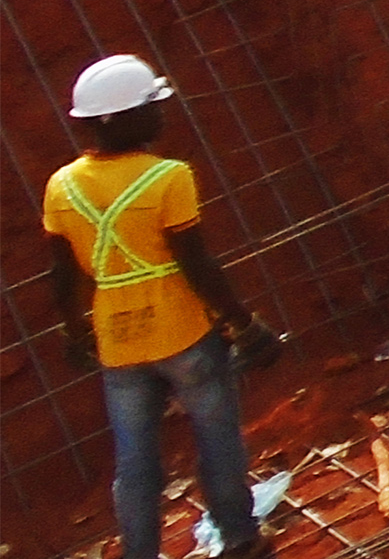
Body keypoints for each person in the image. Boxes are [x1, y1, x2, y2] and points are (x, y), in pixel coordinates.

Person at [43, 56, 284, 559]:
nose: (161, 115)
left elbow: (63, 274)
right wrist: (243, 323)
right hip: (184, 334)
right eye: (151, 107)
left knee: (135, 462)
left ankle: (139, 552)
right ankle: (239, 537)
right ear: (121, 118)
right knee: (217, 438)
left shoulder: (61, 187)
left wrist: (74, 330)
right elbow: (197, 264)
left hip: (119, 344)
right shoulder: (168, 178)